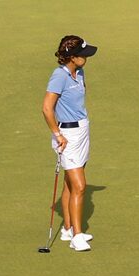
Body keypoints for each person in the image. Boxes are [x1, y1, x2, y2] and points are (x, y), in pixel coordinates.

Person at [42, 34, 99, 252]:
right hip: (67, 135)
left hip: (82, 129)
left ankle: (67, 228)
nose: (87, 58)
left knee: (70, 183)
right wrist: (57, 135)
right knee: (81, 186)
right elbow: (47, 108)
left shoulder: (80, 72)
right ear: (72, 57)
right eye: (83, 55)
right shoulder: (59, 76)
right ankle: (77, 236)